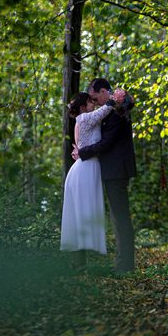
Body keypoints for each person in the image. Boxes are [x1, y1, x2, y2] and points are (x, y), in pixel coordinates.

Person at [73, 78, 136, 274]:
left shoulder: (117, 111)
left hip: (116, 170)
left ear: (103, 92)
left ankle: (124, 265)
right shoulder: (111, 110)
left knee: (120, 217)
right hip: (109, 169)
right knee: (117, 217)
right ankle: (122, 264)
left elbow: (107, 143)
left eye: (94, 96)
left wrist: (82, 153)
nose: (94, 101)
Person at [60, 90, 126, 268]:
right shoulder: (84, 118)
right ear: (83, 107)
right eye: (90, 102)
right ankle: (78, 262)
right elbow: (104, 110)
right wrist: (115, 98)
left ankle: (79, 262)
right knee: (80, 215)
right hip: (85, 170)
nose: (93, 104)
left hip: (86, 168)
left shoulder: (84, 120)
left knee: (81, 214)